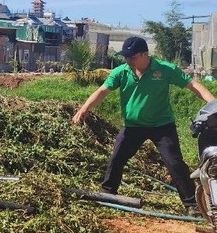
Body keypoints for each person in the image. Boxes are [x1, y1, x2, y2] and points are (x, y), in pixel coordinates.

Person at [72, 36, 216, 215]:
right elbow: (102, 90)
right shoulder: (122, 72)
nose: (128, 60)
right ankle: (107, 194)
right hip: (133, 127)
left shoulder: (165, 69)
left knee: (174, 163)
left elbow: (192, 84)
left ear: (144, 54)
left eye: (132, 57)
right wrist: (84, 108)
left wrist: (213, 105)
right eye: (126, 57)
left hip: (162, 126)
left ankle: (192, 204)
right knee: (116, 158)